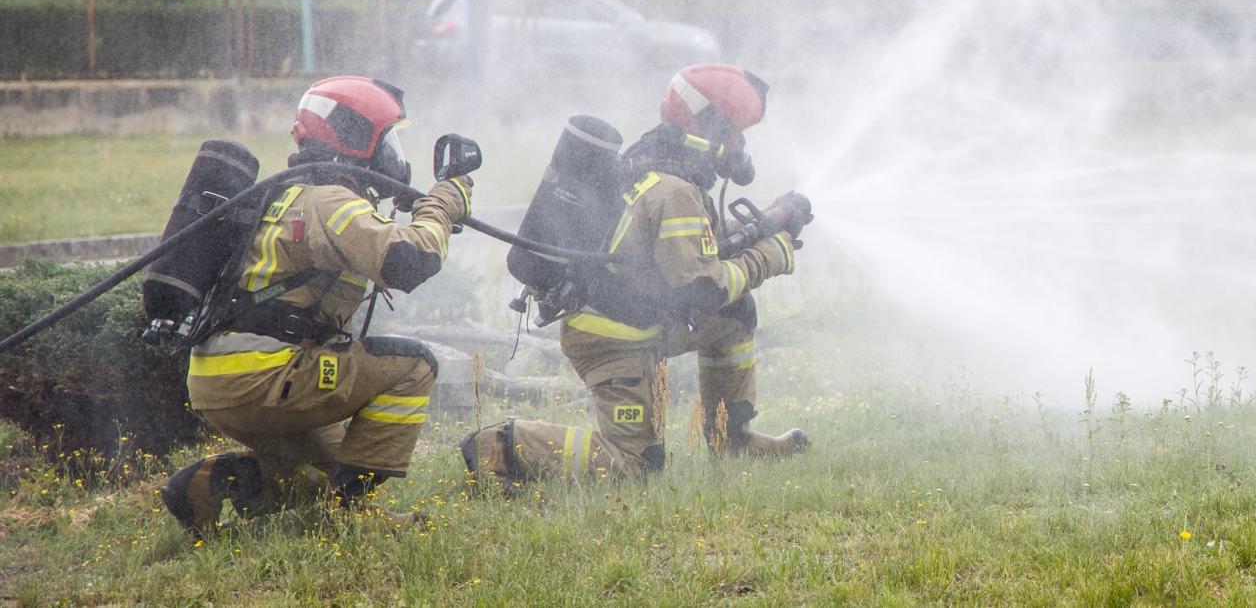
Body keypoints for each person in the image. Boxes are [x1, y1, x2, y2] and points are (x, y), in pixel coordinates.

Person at [462, 64, 809, 488]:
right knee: (635, 466)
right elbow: (703, 289)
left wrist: (767, 224)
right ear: (713, 127)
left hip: (643, 321)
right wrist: (773, 255)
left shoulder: (660, 165)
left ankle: (731, 437)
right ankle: (502, 444)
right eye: (735, 132)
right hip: (611, 339)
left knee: (734, 314)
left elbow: (697, 250)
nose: (739, 144)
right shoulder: (674, 189)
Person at [158, 76, 474, 535]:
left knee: (320, 477)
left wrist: (400, 204)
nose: (393, 155)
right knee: (414, 365)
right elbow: (410, 261)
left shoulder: (283, 195)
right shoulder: (330, 201)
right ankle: (350, 517)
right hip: (267, 375)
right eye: (387, 140)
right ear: (354, 138)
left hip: (219, 378)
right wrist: (443, 203)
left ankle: (203, 486)